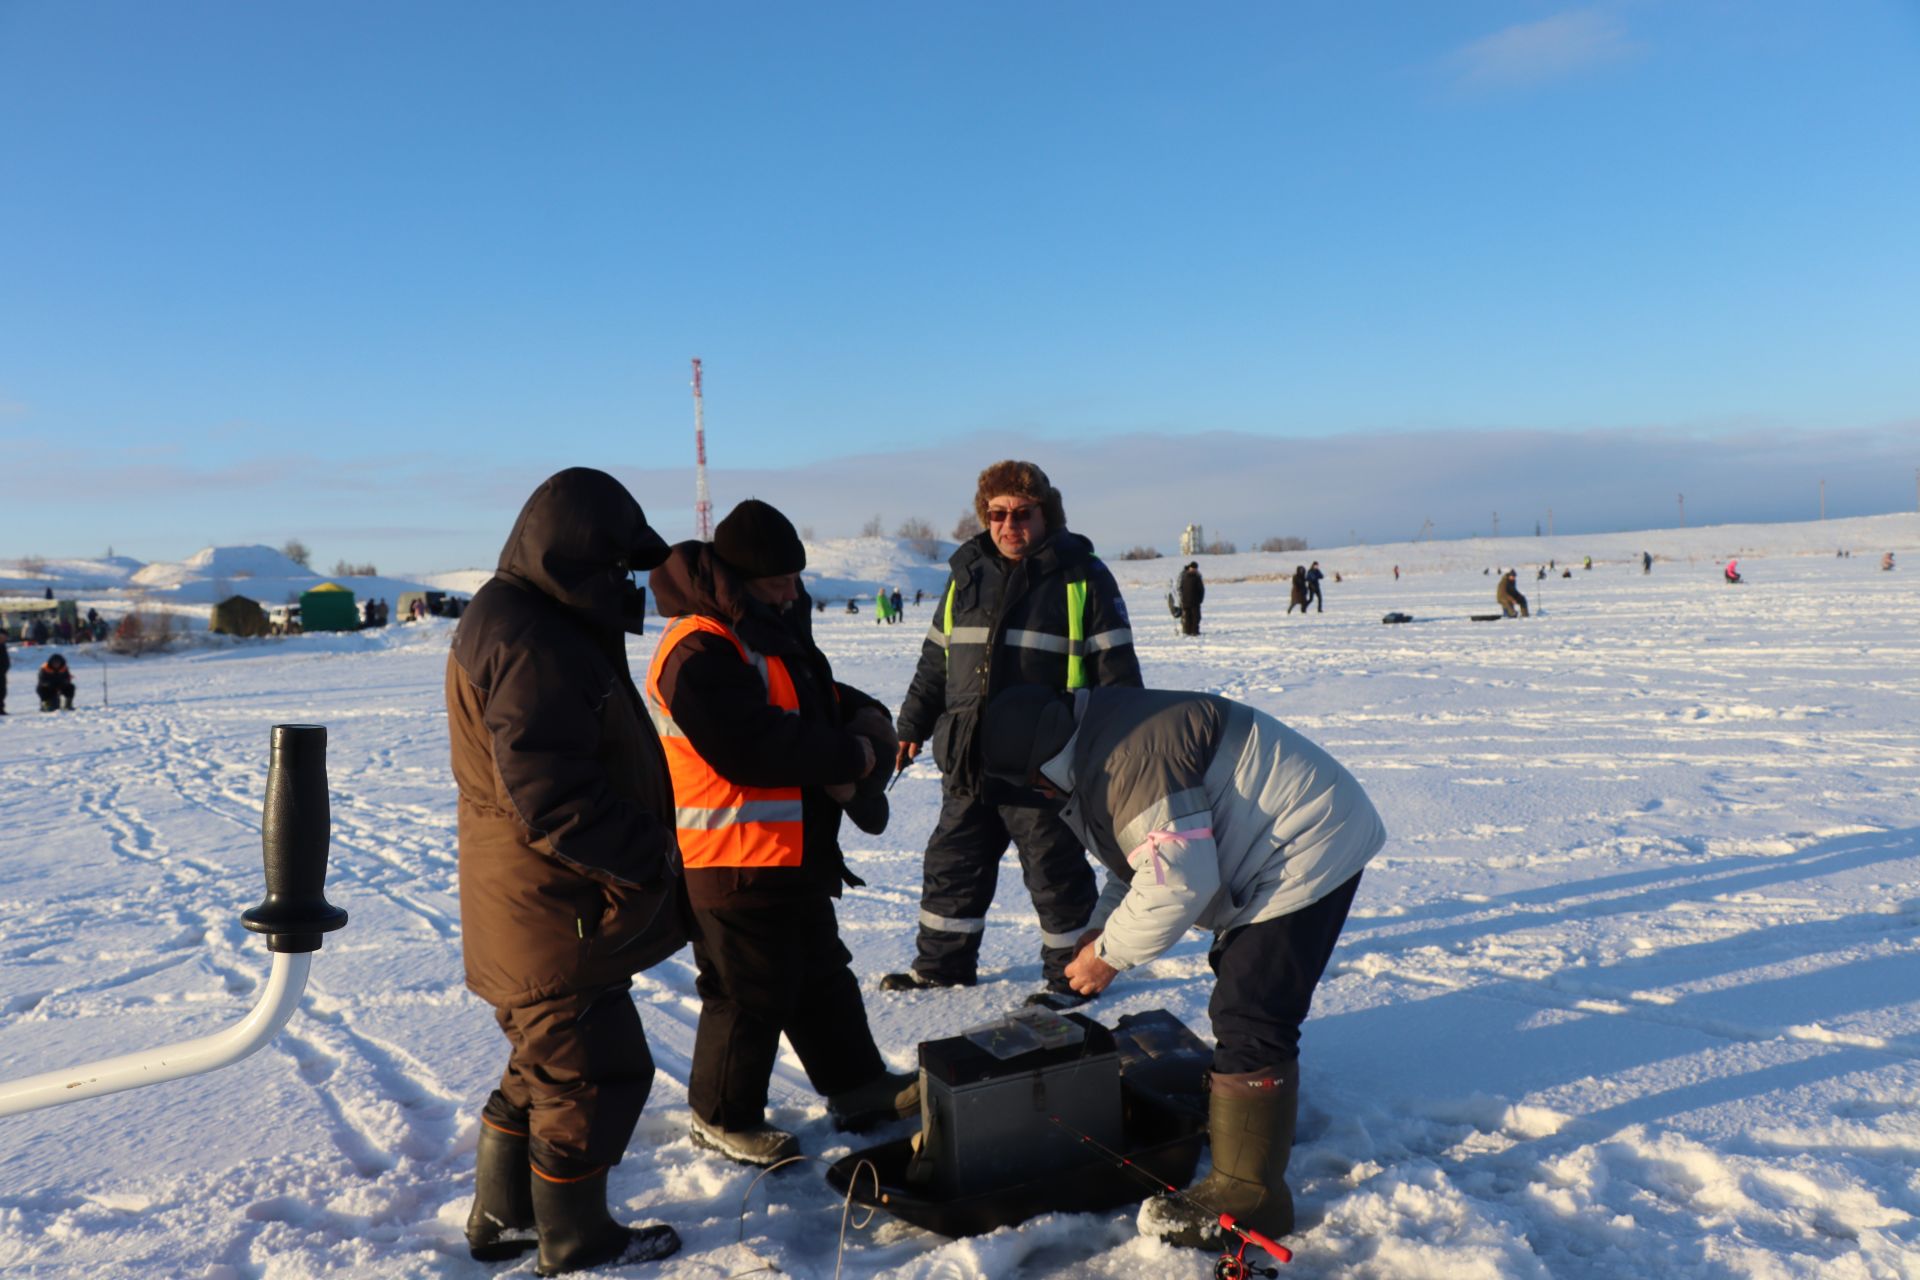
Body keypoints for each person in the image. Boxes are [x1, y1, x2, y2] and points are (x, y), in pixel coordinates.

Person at [980, 683, 1385, 1251]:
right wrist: (1104, 924)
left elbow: (1180, 882)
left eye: (1032, 786)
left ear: (1041, 768)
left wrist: (1108, 956)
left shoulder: (1126, 759)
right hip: (1288, 837)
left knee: (1251, 1009)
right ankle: (1241, 1126)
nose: (1039, 796)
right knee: (1244, 994)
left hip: (1308, 844)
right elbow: (1138, 861)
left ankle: (1251, 1199)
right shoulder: (1100, 738)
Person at [446, 468, 685, 1274]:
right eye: (616, 567)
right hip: (549, 906)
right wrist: (648, 855)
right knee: (593, 1073)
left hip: (530, 905)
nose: (624, 585)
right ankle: (577, 1241)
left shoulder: (528, 616)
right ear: (578, 556)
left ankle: (502, 1219)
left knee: (542, 1066)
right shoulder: (532, 637)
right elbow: (551, 798)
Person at [647, 499, 918, 1167]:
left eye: (795, 580)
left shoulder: (762, 627)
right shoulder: (698, 646)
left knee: (820, 973)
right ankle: (720, 1116)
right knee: (747, 994)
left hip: (789, 850)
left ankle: (857, 1087)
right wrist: (849, 758)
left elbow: (810, 691)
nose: (792, 593)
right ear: (738, 579)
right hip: (728, 856)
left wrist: (867, 716)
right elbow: (751, 745)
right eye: (778, 582)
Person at [884, 460, 1142, 1007]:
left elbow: (1118, 675)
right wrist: (911, 725)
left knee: (1056, 876)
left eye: (1022, 514)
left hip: (1043, 766)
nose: (1009, 526)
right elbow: (936, 660)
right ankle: (941, 967)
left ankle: (1071, 978)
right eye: (997, 514)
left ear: (1045, 514)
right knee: (952, 865)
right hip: (968, 757)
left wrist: (1117, 753)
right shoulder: (967, 573)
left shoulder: (1082, 576)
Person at [1177, 561, 1205, 636]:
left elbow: (1201, 590)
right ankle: (1189, 631)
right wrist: (1181, 599)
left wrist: (1200, 599)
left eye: (1195, 568)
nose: (1193, 570)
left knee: (1195, 618)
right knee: (1189, 617)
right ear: (1190, 568)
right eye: (1192, 568)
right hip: (1186, 601)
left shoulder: (1195, 577)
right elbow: (1180, 588)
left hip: (1194, 601)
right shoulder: (1185, 576)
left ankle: (1193, 631)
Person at [0, 628, 9, 716]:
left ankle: (1, 709)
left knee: (2, 692)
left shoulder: (3, 645)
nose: (5, 638)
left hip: (2, 673)